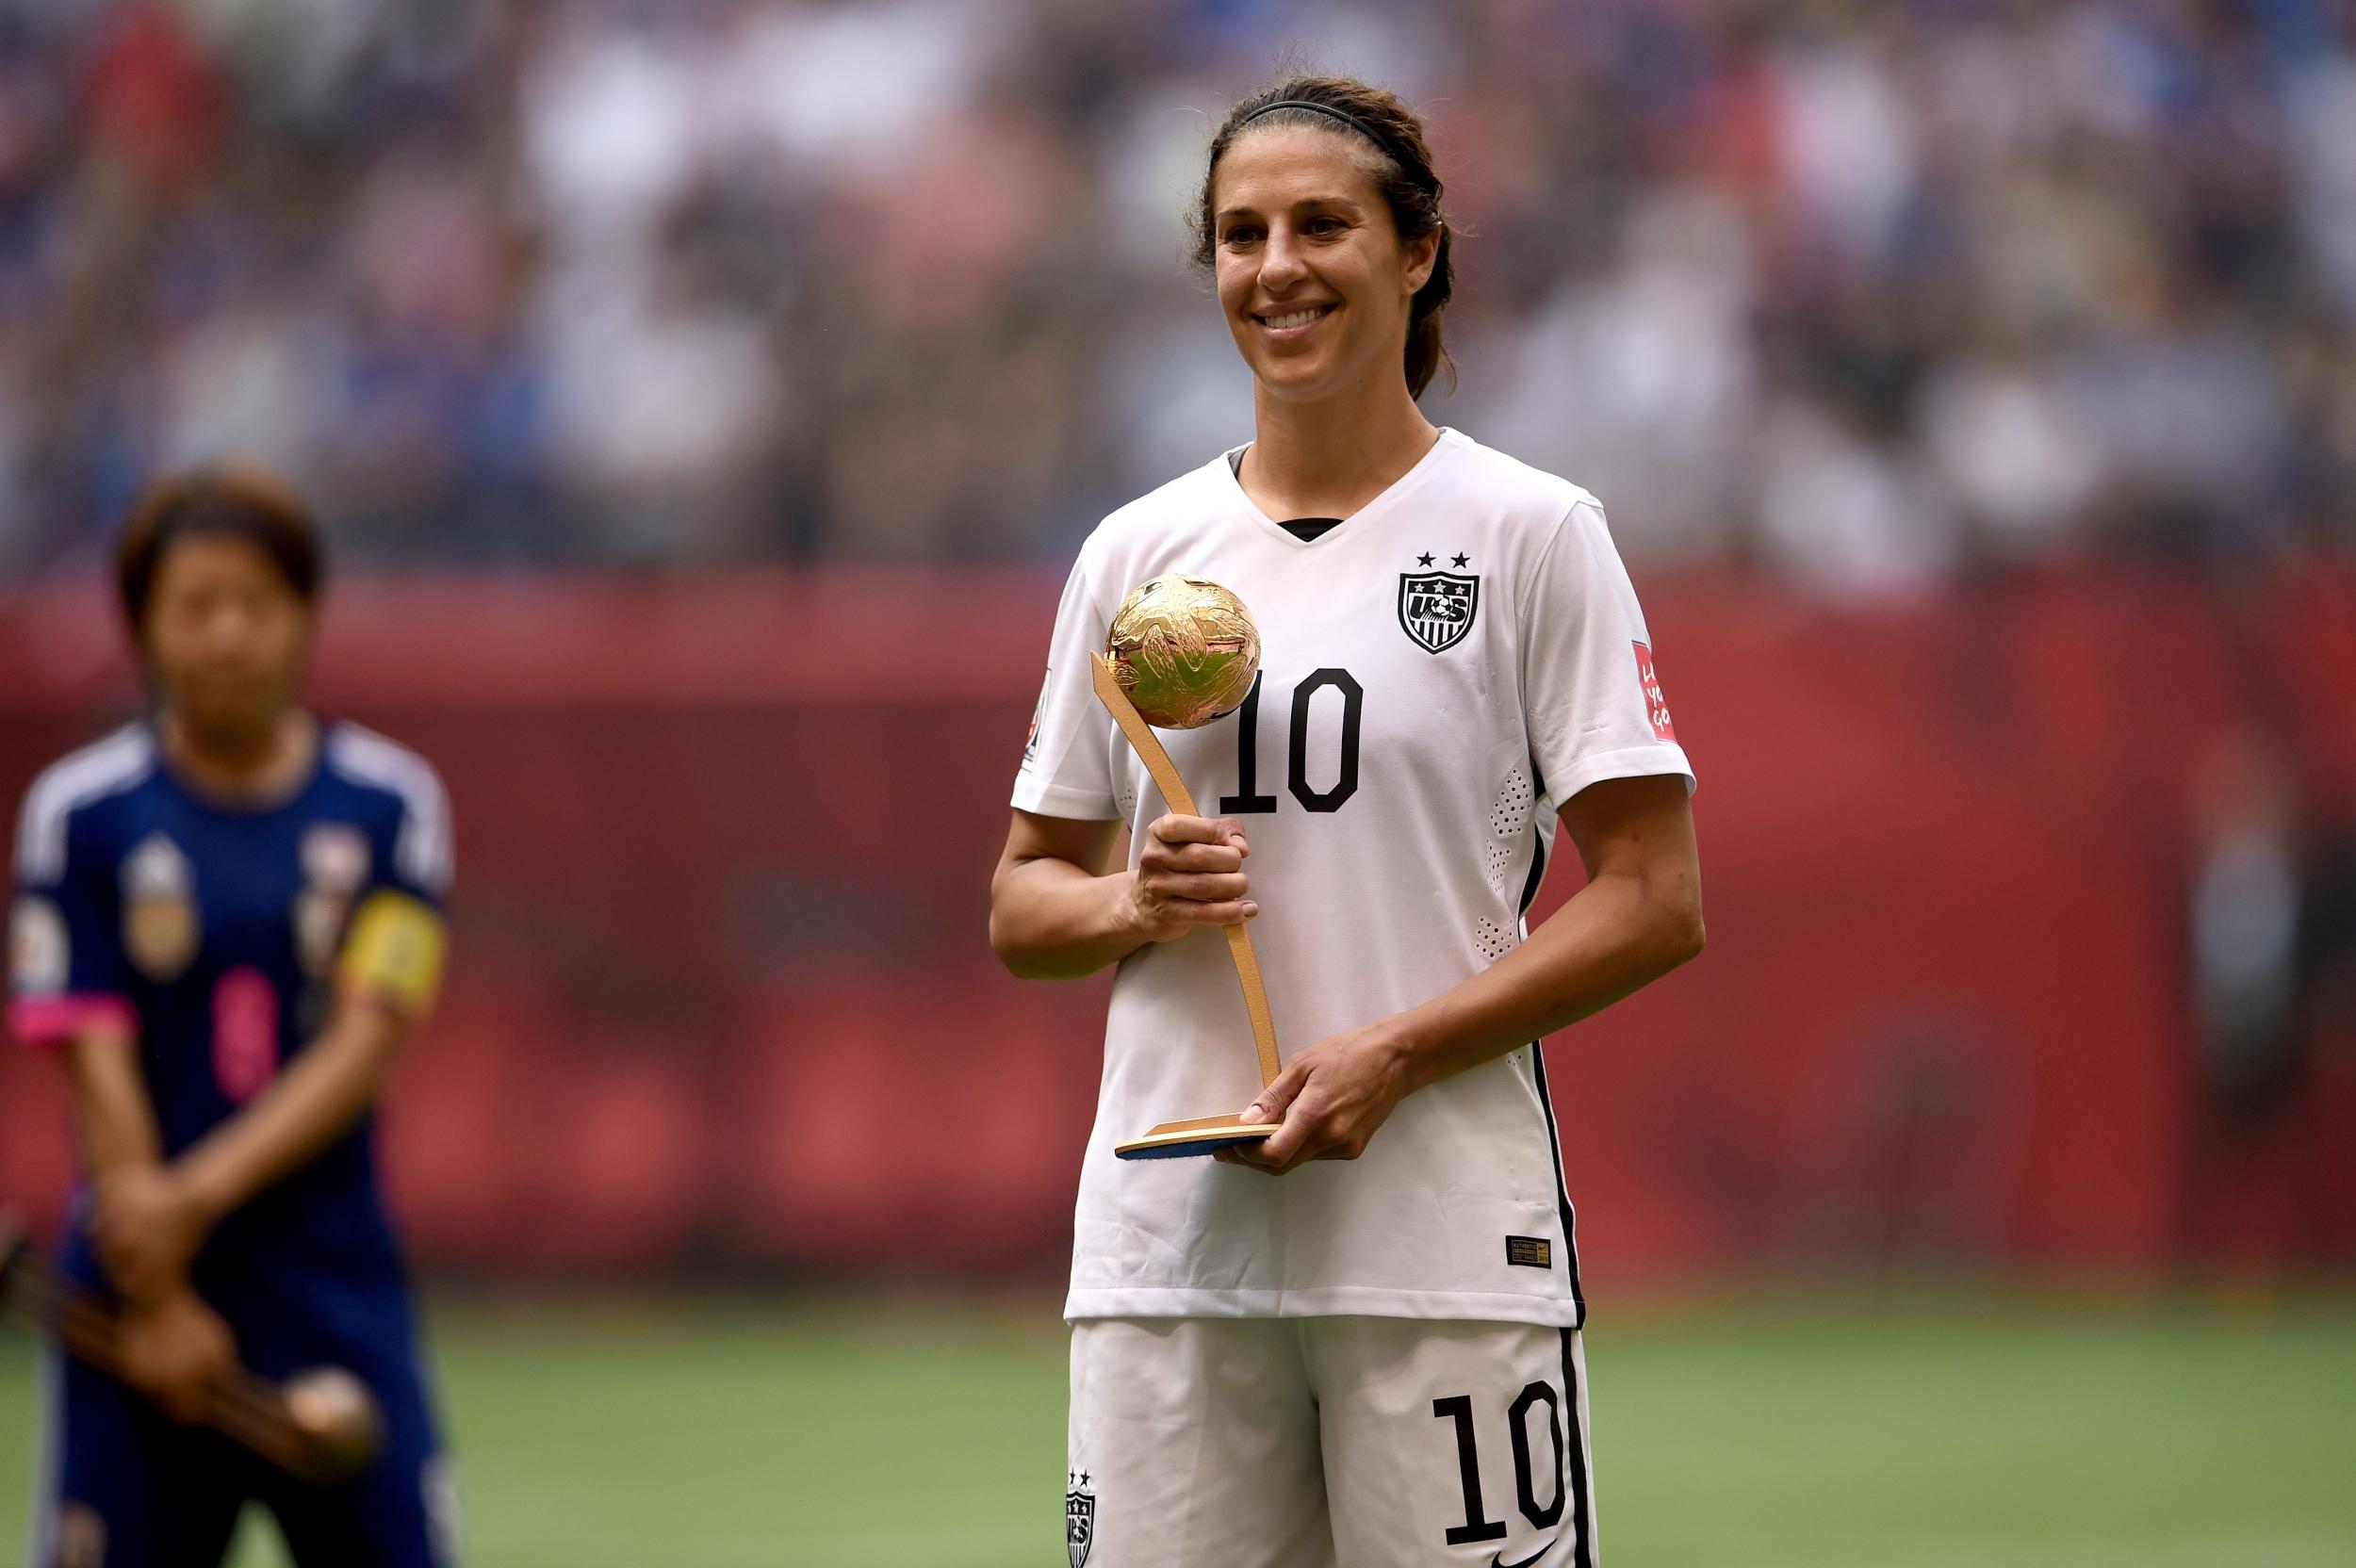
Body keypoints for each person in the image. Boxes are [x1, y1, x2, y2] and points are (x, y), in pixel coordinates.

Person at [990, 76, 1704, 1568]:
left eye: (1323, 224)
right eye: (1241, 235)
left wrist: (1393, 1053)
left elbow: (1653, 897)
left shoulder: (1534, 532)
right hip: (1173, 1256)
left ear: (1419, 250)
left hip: (1444, 1246)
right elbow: (1022, 903)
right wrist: (1135, 902)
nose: (1277, 267)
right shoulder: (1137, 551)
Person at [7, 470, 459, 1566]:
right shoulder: (81, 814)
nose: (227, 635)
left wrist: (183, 1202)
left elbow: (364, 1045)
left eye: (255, 602)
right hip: (130, 1288)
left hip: (329, 1274)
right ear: (142, 625)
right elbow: (92, 1057)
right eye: (195, 606)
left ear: (306, 613)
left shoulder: (394, 805)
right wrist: (156, 1294)